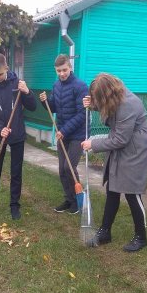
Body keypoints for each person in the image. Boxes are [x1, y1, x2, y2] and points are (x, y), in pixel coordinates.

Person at [81, 73, 147, 252]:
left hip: (135, 150)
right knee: (112, 188)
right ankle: (105, 232)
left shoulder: (129, 104)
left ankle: (141, 237)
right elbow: (111, 115)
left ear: (108, 93)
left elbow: (121, 139)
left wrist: (93, 144)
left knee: (132, 193)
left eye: (99, 99)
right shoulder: (116, 97)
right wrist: (94, 106)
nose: (98, 102)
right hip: (122, 146)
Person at [0, 53, 36, 220]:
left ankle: (14, 204)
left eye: (0, 74)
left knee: (16, 171)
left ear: (6, 68)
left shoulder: (17, 84)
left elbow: (32, 106)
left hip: (17, 133)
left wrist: (27, 92)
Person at [39, 54, 88, 214]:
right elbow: (53, 108)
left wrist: (64, 131)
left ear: (70, 67)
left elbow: (82, 114)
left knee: (69, 167)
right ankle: (69, 200)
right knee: (61, 169)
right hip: (63, 134)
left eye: (64, 70)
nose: (62, 73)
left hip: (77, 135)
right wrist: (44, 101)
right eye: (58, 71)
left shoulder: (80, 86)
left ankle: (77, 202)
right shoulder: (56, 85)